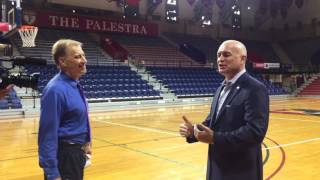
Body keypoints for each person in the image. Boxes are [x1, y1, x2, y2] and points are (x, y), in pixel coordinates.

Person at [179, 40, 269, 180]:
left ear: (242, 59)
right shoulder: (220, 89)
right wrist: (193, 132)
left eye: (226, 55)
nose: (220, 59)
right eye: (218, 55)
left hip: (240, 171)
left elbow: (254, 132)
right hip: (217, 168)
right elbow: (212, 122)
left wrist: (215, 138)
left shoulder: (255, 88)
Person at [38, 39, 91, 180]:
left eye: (83, 55)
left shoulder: (74, 84)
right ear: (62, 61)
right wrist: (52, 173)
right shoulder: (55, 90)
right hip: (65, 157)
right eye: (77, 57)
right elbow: (47, 134)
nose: (84, 60)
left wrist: (87, 142)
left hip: (75, 154)